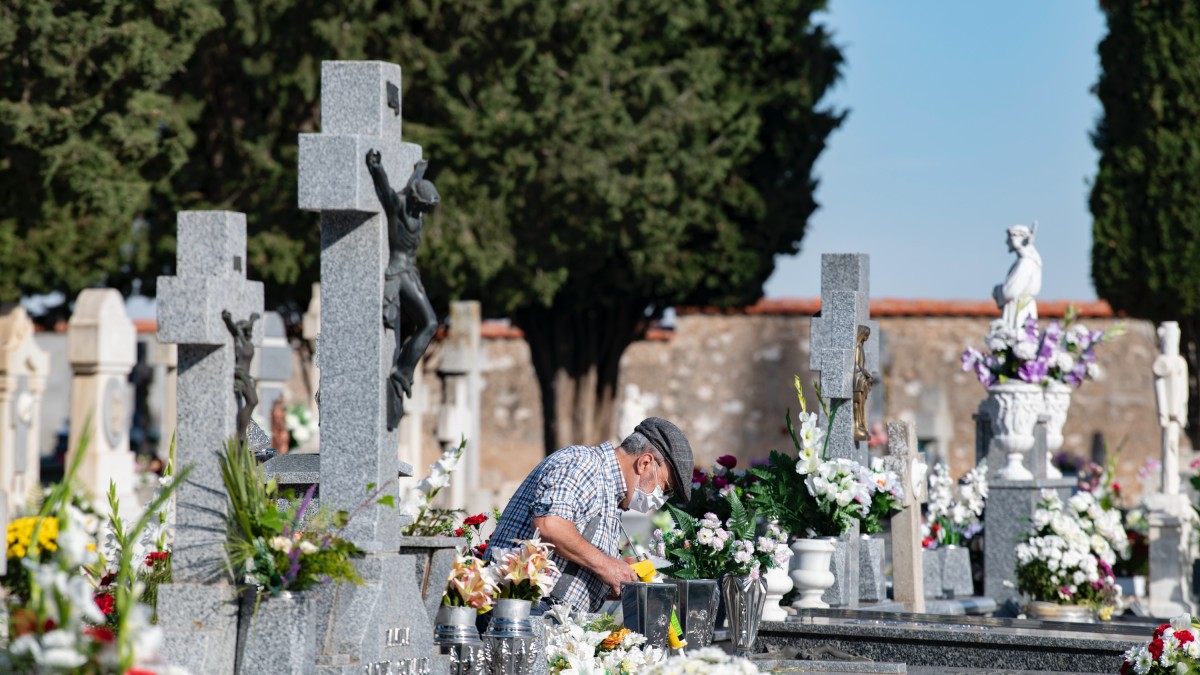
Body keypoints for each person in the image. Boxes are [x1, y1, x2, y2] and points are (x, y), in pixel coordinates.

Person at [486, 417, 694, 614]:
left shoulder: (612, 496)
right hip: (521, 610)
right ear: (645, 463)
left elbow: (578, 562)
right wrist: (605, 565)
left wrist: (619, 583)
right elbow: (549, 524)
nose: (662, 498)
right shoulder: (584, 463)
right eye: (666, 487)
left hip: (547, 614)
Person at [365, 149, 440, 431]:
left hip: (412, 272)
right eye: (424, 206)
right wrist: (376, 167)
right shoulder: (398, 208)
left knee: (430, 323)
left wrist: (419, 169)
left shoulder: (415, 208)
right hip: (398, 272)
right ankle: (401, 372)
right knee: (429, 322)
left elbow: (412, 183)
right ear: (416, 199)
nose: (425, 212)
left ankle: (403, 371)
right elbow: (385, 191)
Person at [992, 224, 1042, 333]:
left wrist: (997, 290)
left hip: (1018, 312)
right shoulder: (1026, 261)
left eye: (1009, 238)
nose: (1006, 242)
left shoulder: (1026, 263)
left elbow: (1009, 292)